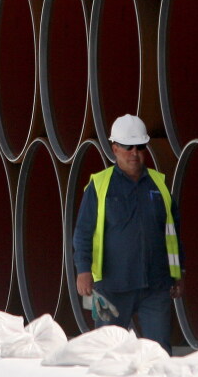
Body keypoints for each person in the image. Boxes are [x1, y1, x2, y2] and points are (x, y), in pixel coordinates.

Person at [72, 113, 184, 354]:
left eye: (140, 146)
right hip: (110, 287)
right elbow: (83, 232)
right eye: (127, 147)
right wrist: (83, 270)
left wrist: (177, 272)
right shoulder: (99, 186)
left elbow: (172, 235)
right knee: (107, 352)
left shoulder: (159, 185)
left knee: (160, 353)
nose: (134, 152)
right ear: (114, 148)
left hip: (155, 287)